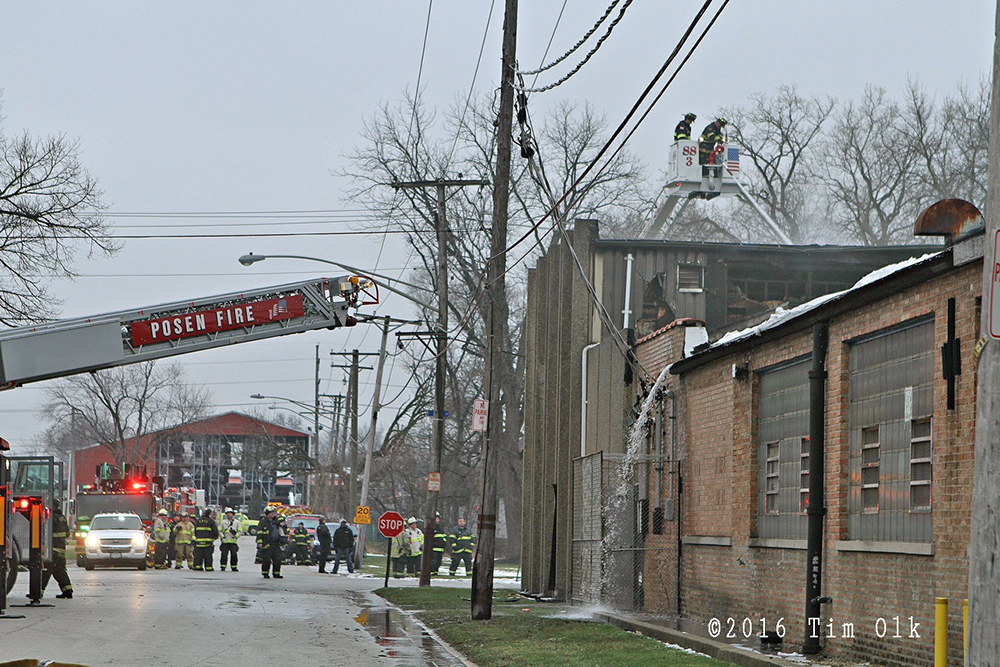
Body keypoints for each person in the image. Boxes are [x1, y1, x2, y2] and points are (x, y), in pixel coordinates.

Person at [42, 500, 73, 599]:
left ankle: (38, 592)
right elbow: (67, 533)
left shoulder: (51, 518)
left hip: (53, 549)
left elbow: (46, 532)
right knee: (59, 571)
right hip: (61, 549)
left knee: (46, 571)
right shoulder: (62, 517)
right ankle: (67, 591)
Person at [256, 507, 287, 579]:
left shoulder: (275, 521)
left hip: (276, 543)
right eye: (271, 513)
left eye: (273, 512)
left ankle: (276, 573)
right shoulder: (263, 522)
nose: (273, 514)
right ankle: (265, 573)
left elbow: (281, 529)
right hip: (267, 543)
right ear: (267, 514)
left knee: (277, 559)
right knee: (266, 559)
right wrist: (260, 542)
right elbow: (259, 533)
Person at [219, 507, 241, 572]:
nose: (228, 515)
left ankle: (234, 567)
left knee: (234, 554)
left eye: (230, 513)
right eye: (227, 514)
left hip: (233, 542)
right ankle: (223, 566)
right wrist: (222, 537)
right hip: (225, 542)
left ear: (233, 514)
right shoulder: (223, 522)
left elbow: (240, 531)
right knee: (224, 555)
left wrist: (236, 536)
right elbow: (219, 530)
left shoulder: (237, 522)